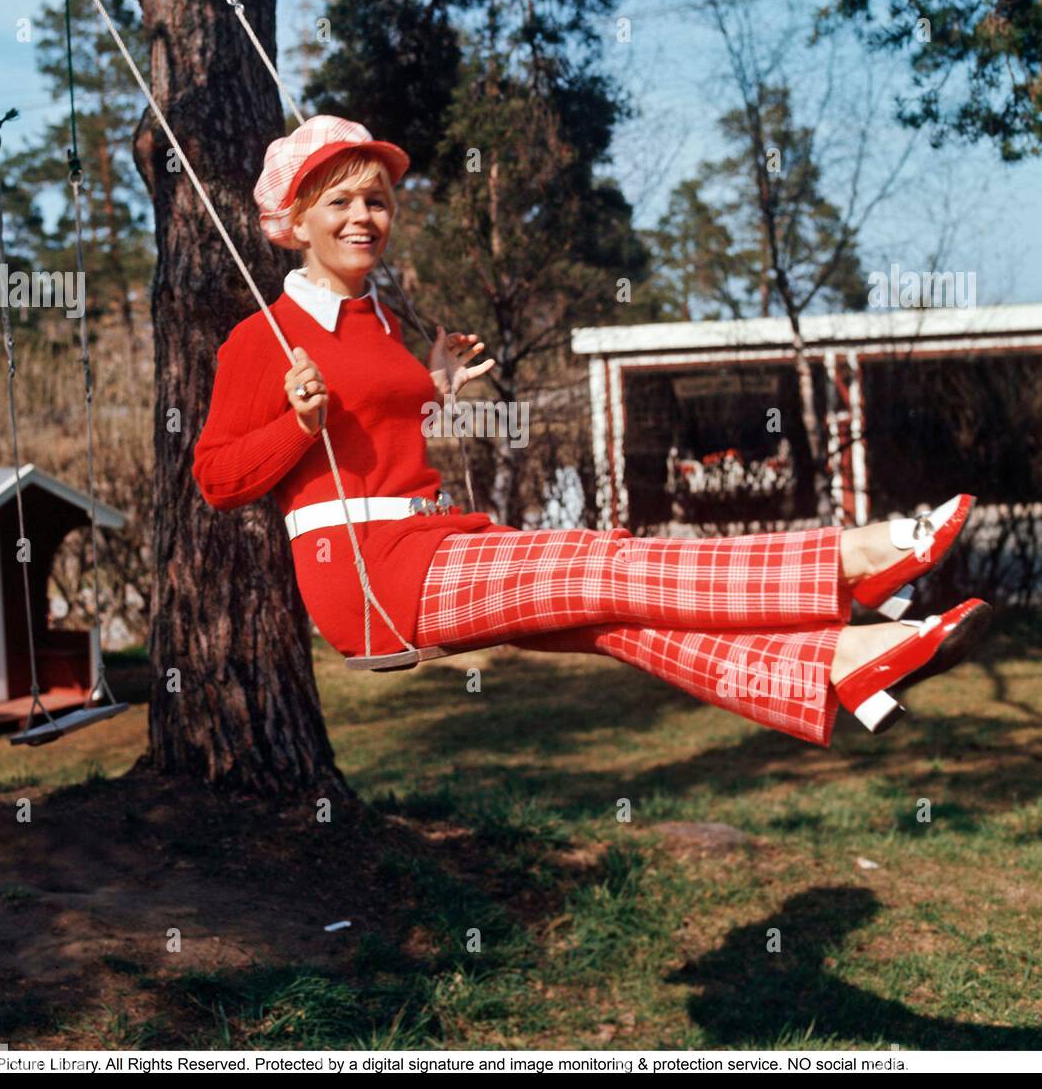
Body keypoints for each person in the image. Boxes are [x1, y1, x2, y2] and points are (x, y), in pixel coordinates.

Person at [192, 115, 991, 748]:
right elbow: (218, 478)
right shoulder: (263, 337)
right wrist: (299, 425)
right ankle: (850, 559)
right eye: (341, 203)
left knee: (621, 624)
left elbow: (372, 435)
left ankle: (843, 661)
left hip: (427, 544)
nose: (365, 217)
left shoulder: (382, 323)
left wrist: (428, 385)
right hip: (365, 577)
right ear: (292, 222)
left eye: (377, 200)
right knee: (602, 562)